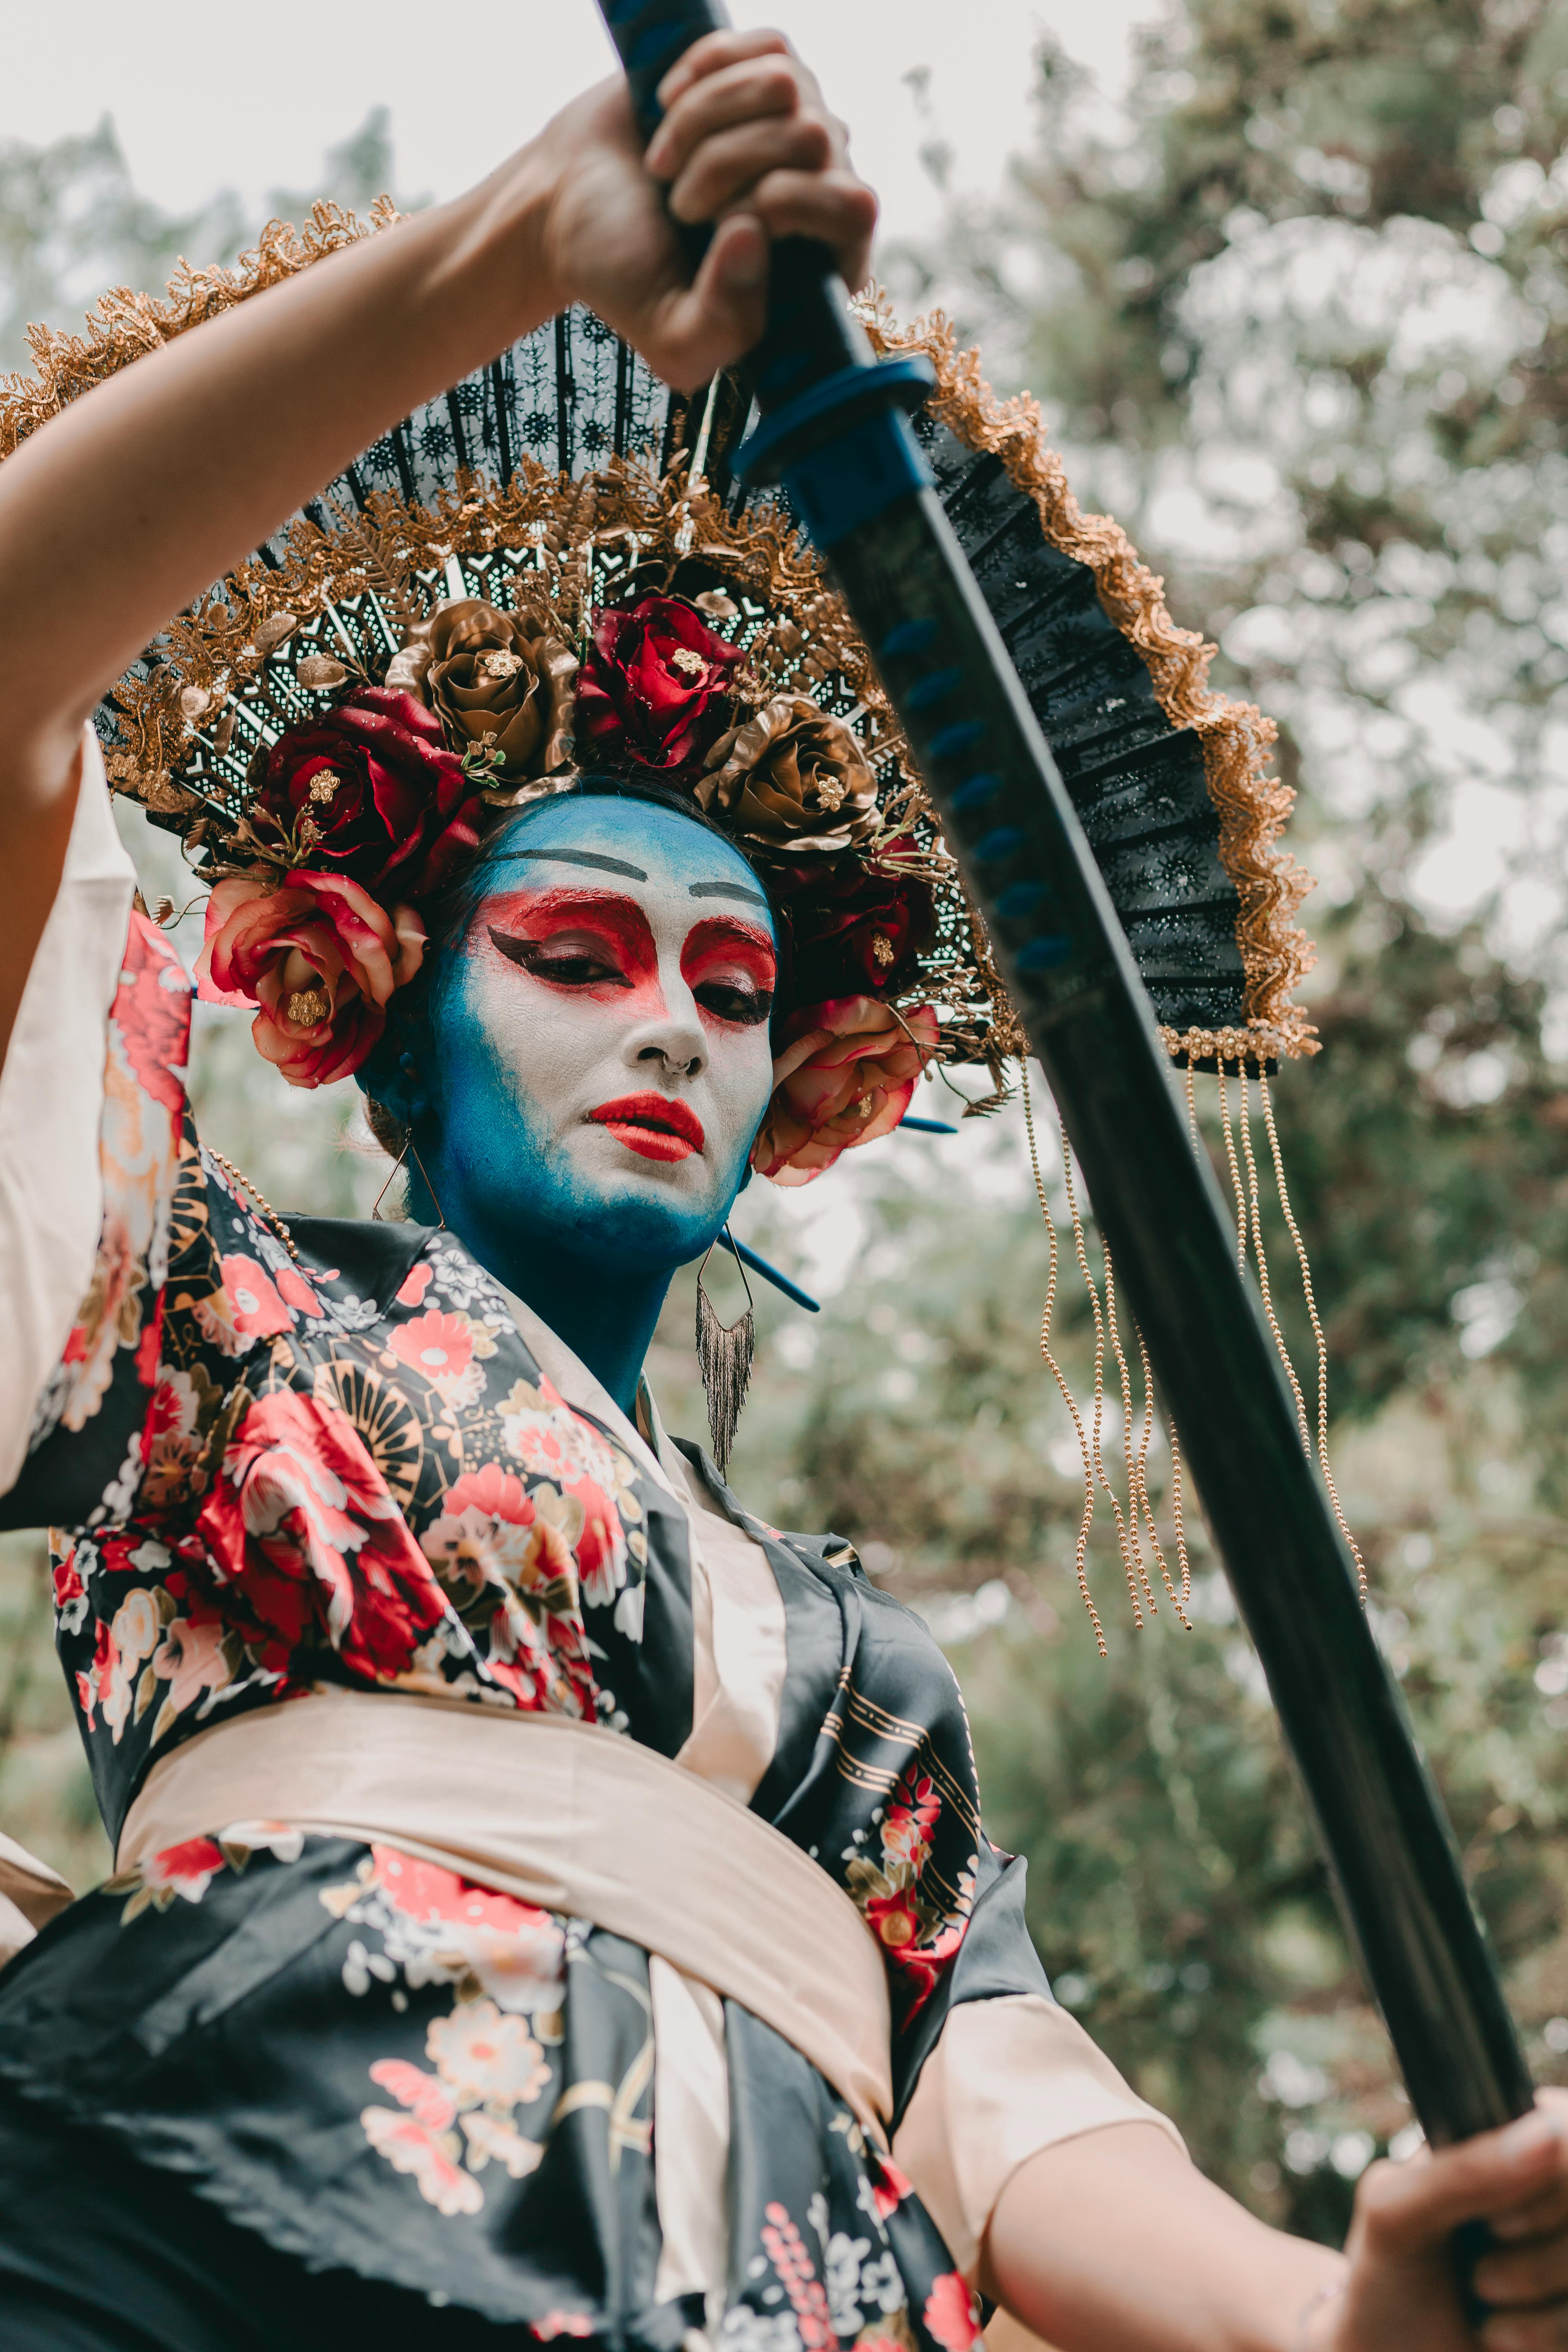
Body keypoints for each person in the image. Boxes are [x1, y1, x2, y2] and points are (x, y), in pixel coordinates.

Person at [0, 26, 1564, 2352]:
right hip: (212, 2242)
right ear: (389, 1010)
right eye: (573, 951)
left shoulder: (857, 1669)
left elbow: (1016, 2113)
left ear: (799, 1085)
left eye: (735, 987)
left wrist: (1340, 2318)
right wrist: (514, 250)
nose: (670, 1022)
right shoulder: (197, 1324)